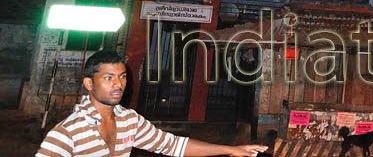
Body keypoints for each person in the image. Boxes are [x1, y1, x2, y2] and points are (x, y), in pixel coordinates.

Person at [36, 48, 268, 157]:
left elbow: (173, 145)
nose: (118, 85)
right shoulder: (66, 133)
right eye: (108, 78)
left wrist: (231, 149)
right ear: (89, 84)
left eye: (122, 76)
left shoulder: (129, 121)